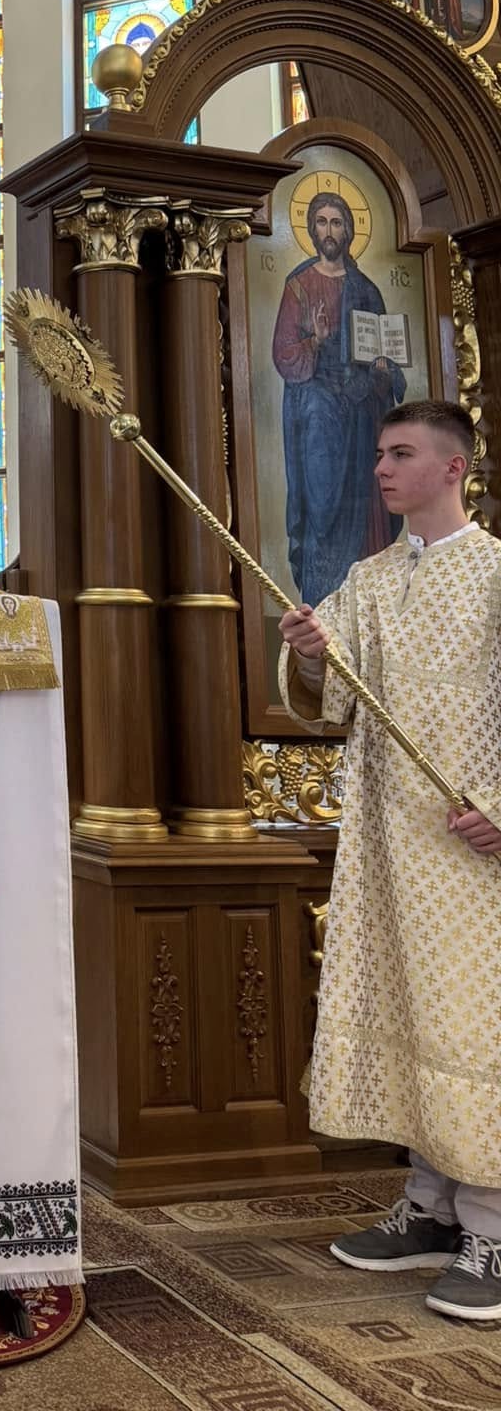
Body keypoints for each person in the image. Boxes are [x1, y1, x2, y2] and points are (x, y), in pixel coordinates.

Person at [279, 400, 501, 1322]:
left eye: (401, 453)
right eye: (378, 453)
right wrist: (308, 652)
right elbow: (323, 699)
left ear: (454, 468)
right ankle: (433, 1207)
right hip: (386, 846)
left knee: (473, 1030)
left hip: (471, 851)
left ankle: (494, 1229)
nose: (380, 468)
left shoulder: (496, 573)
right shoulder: (368, 580)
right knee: (413, 1018)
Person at [272, 188, 404, 606]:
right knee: (323, 501)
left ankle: (369, 599)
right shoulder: (299, 286)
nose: (329, 231)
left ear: (348, 231)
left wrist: (383, 369)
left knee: (364, 498)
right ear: (312, 229)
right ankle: (323, 598)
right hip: (319, 411)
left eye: (337, 223)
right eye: (322, 222)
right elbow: (284, 355)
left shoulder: (366, 289)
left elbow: (384, 355)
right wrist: (316, 340)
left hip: (362, 408)